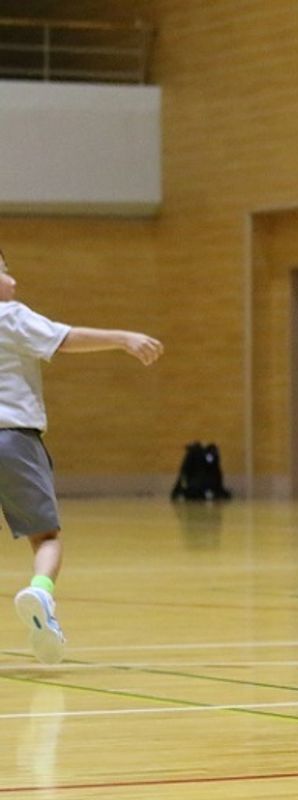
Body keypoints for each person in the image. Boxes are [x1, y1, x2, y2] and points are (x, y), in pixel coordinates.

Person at [0, 248, 163, 664]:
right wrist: (123, 339)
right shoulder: (10, 316)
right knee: (46, 537)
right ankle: (40, 592)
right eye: (3, 271)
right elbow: (64, 338)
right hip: (14, 438)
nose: (13, 280)